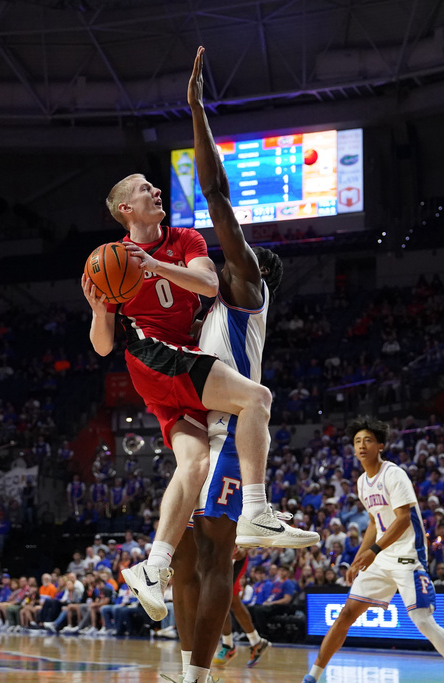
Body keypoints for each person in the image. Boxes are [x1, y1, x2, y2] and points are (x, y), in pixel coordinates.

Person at [83, 78, 314, 621]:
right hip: (156, 357)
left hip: (180, 366)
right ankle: (256, 510)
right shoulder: (106, 259)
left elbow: (208, 285)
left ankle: (153, 562)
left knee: (195, 464)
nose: (156, 192)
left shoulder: (185, 239)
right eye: (145, 188)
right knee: (256, 398)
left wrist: (156, 267)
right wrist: (99, 311)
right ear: (123, 207)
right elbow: (100, 348)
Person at [169, 46, 288, 683]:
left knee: (213, 560)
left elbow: (214, 192)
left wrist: (196, 111)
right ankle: (187, 672)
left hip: (226, 442)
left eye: (241, 250)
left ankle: (199, 679)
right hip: (205, 436)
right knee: (184, 562)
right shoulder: (212, 312)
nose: (230, 253)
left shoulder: (246, 286)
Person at [302, 416, 444, 683]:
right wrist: (360, 557)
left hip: (407, 555)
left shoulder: (393, 474)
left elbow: (403, 518)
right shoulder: (362, 482)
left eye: (368, 441)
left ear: (380, 445)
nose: (361, 446)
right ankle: (312, 676)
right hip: (380, 556)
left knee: (423, 621)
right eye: (357, 441)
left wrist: (373, 550)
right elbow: (374, 521)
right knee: (346, 613)